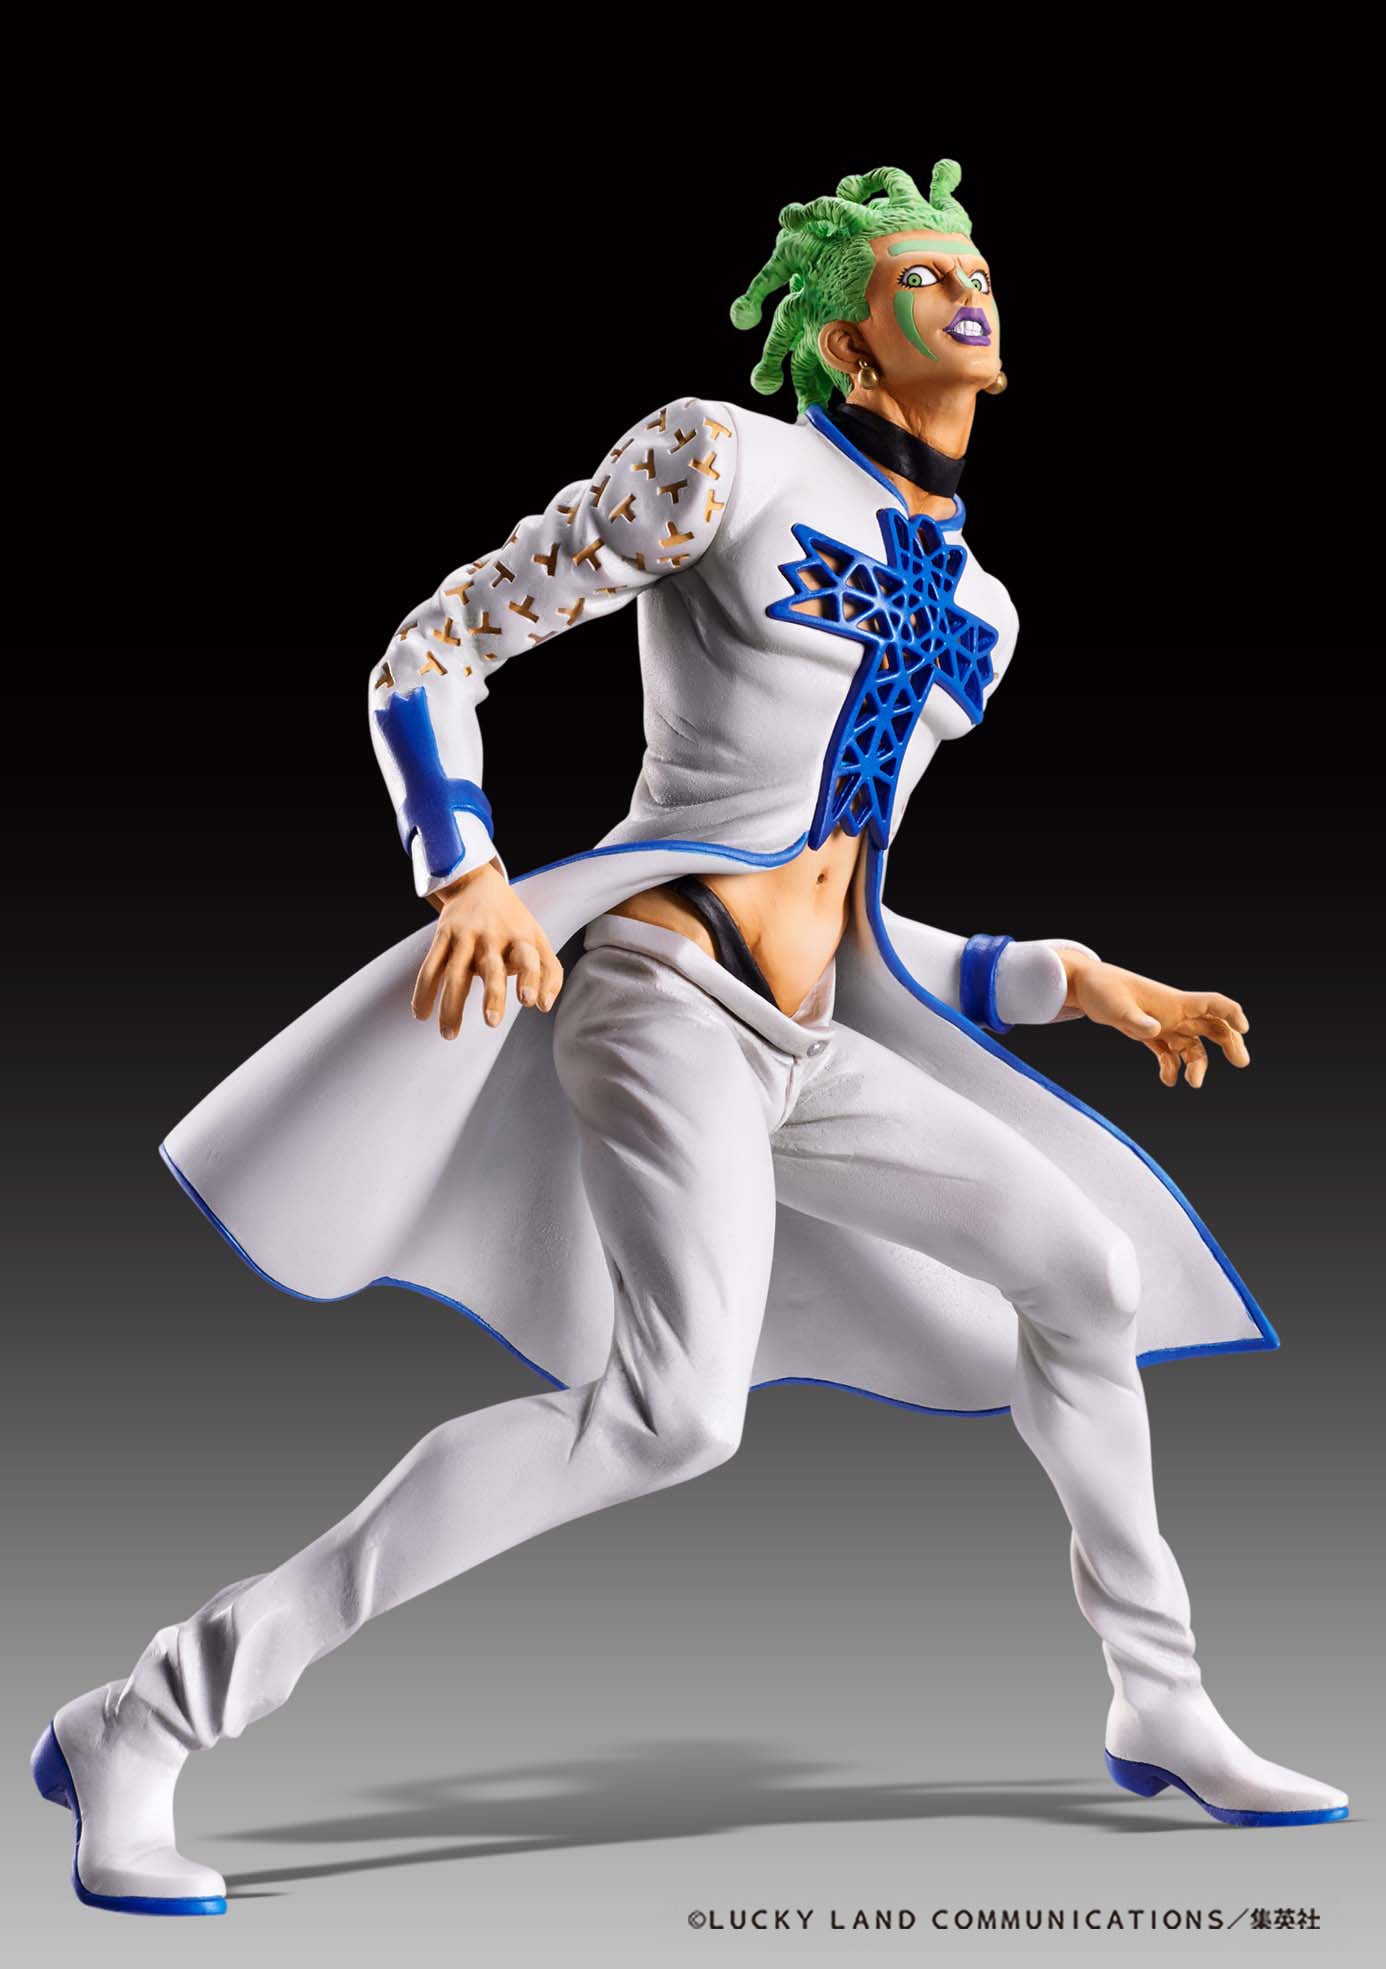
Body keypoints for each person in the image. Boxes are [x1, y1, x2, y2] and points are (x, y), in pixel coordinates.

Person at [31, 160, 1348, 1919]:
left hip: (806, 1043)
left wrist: (1070, 977)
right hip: (661, 1002)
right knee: (669, 1417)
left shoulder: (977, 613)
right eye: (917, 274)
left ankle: (1158, 1699)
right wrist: (469, 872)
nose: (964, 288)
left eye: (972, 262)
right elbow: (433, 648)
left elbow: (851, 914)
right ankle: (148, 1714)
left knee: (1086, 1272)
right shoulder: (722, 460)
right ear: (846, 342)